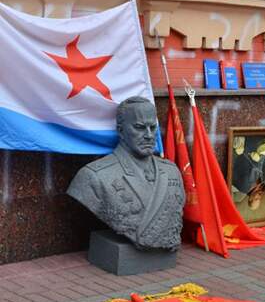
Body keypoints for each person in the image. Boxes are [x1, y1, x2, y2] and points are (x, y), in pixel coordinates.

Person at [67, 96, 185, 251]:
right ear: (121, 131)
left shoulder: (171, 171)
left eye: (153, 127)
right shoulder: (93, 177)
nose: (150, 135)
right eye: (140, 127)